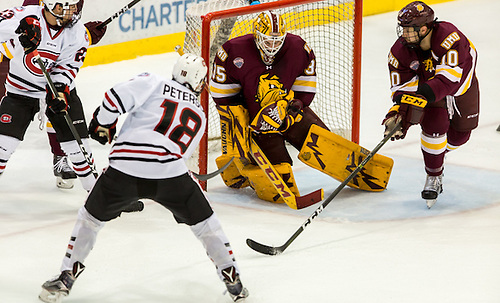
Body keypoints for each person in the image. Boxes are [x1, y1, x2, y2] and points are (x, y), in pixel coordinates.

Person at [38, 54, 249, 303]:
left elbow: (113, 97)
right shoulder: (200, 114)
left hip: (125, 169)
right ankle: (232, 278)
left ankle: (66, 277)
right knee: (206, 225)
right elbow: (182, 154)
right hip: (170, 173)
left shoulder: (154, 81)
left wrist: (103, 124)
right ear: (198, 81)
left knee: (90, 220)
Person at [209, 11, 392, 204]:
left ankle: (369, 173)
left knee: (324, 142)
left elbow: (304, 91)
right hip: (255, 124)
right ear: (257, 36)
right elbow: (224, 98)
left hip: (286, 110)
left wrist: (294, 106)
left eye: (277, 41)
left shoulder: (298, 49)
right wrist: (242, 121)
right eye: (267, 41)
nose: (272, 47)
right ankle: (240, 167)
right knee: (280, 170)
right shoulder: (232, 51)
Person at [0, 0, 107, 190]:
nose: (74, 12)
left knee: (78, 148)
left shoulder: (77, 31)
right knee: (2, 145)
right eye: (70, 7)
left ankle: (99, 196)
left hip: (56, 89)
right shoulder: (26, 13)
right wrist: (19, 27)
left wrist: (59, 90)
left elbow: (69, 65)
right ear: (55, 6)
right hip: (21, 91)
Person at [382, 1, 479, 208]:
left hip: (461, 86)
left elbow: (449, 80)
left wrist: (421, 96)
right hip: (430, 88)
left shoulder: (450, 38)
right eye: (403, 29)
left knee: (461, 135)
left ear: (424, 28)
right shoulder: (399, 52)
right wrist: (398, 113)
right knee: (434, 128)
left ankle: (435, 154)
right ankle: (434, 175)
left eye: (409, 30)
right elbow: (403, 91)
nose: (403, 34)